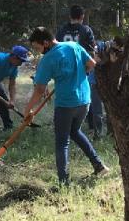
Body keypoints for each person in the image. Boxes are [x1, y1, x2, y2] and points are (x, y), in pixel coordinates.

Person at [24, 27, 109, 186]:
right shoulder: (74, 46)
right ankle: (98, 165)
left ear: (46, 42)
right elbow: (91, 63)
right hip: (84, 100)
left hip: (66, 104)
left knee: (62, 142)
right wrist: (79, 74)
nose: (38, 51)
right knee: (74, 131)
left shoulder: (48, 59)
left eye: (38, 47)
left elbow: (40, 89)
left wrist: (28, 108)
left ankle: (64, 182)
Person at [0, 45, 30, 138]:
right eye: (21, 60)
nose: (22, 63)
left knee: (4, 103)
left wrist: (12, 100)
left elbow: (12, 85)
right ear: (14, 57)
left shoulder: (14, 67)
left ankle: (8, 126)